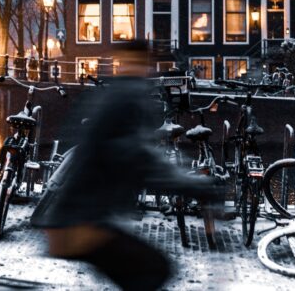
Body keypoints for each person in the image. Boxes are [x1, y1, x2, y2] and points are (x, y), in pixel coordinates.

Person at [32, 40, 214, 290]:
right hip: (82, 222)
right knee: (155, 269)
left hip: (78, 216)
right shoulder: (127, 99)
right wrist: (193, 185)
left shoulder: (111, 94)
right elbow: (138, 157)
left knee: (139, 271)